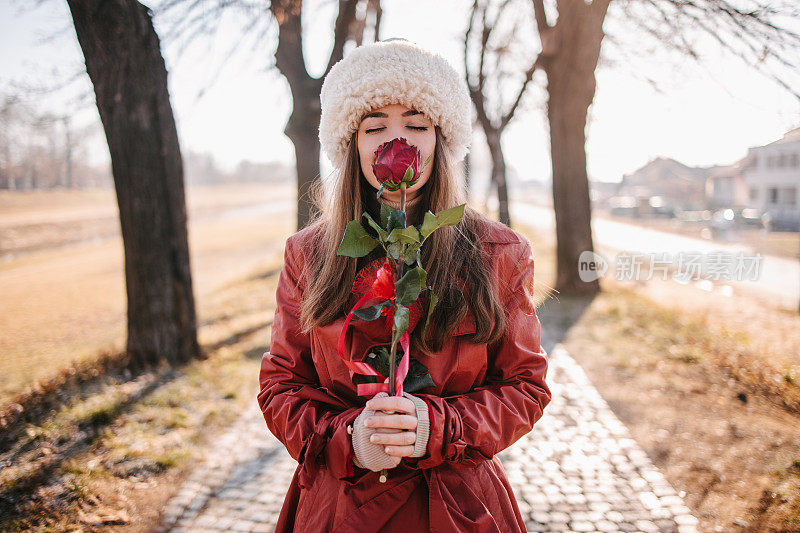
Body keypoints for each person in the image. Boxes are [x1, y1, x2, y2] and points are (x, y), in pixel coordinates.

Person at [257, 38, 551, 532]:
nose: (400, 142)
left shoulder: (498, 253)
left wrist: (438, 429)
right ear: (352, 144)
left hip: (456, 509)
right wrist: (347, 438)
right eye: (375, 127)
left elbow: (526, 387)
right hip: (341, 506)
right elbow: (280, 384)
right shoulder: (308, 255)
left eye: (416, 125)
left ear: (441, 138)